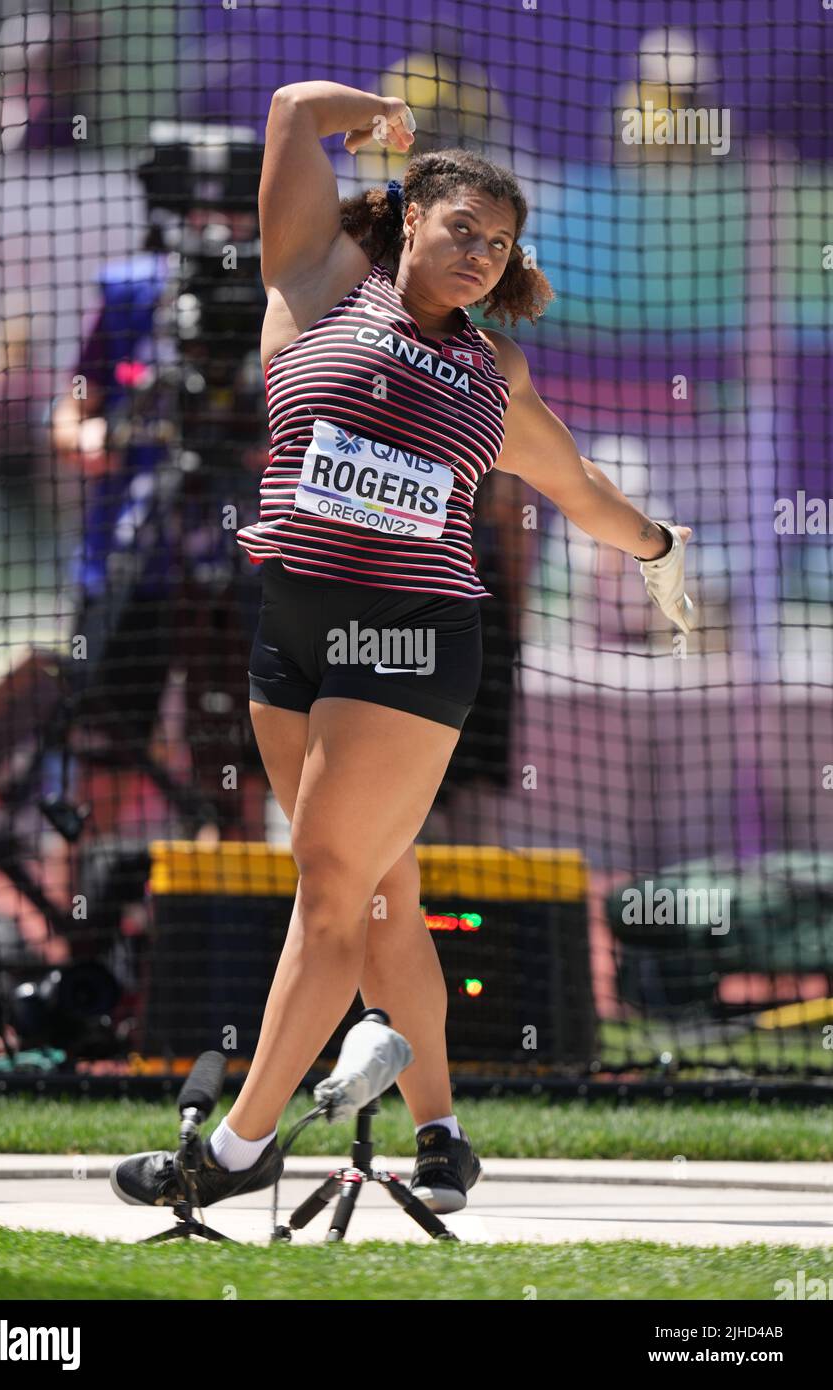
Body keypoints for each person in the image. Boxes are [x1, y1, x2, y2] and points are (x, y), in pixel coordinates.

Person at [111, 80, 694, 1215]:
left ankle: (234, 1151)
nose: (481, 253)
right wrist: (373, 112)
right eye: (461, 229)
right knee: (378, 893)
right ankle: (442, 1133)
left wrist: (659, 546)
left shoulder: (494, 374)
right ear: (407, 219)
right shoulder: (319, 278)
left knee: (329, 889)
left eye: (500, 243)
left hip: (411, 639)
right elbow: (289, 112)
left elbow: (576, 487)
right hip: (290, 625)